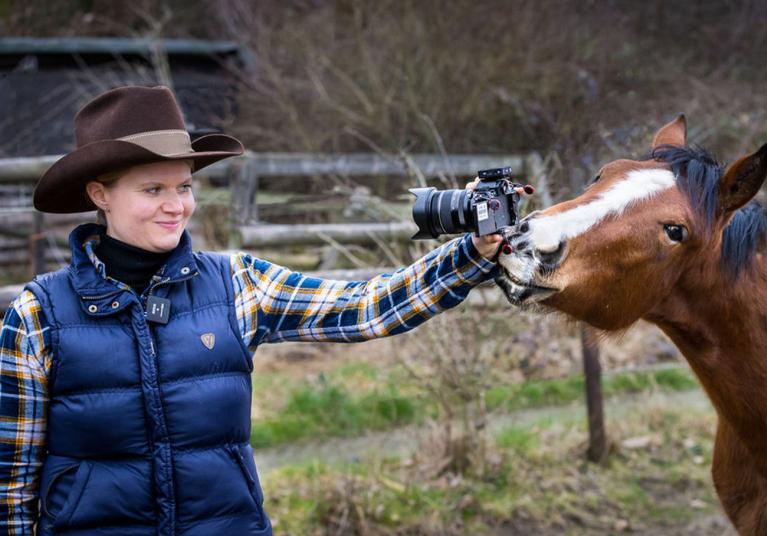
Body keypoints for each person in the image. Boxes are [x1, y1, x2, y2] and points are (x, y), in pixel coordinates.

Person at [0, 86, 513, 536]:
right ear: (100, 194)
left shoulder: (238, 284)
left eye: (184, 187)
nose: (176, 205)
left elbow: (364, 308)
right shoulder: (38, 316)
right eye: (153, 189)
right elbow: (11, 485)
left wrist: (469, 254)